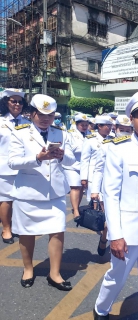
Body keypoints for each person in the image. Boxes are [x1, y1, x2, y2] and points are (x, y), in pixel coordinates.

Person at [93, 91, 138, 320]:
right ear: (132, 120)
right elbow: (111, 195)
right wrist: (115, 235)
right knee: (118, 276)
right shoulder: (118, 148)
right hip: (127, 231)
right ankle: (101, 309)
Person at [8, 94, 75, 289]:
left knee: (57, 232)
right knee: (26, 233)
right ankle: (28, 268)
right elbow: (13, 162)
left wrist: (62, 156)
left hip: (54, 192)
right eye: (42, 115)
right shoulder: (19, 133)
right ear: (32, 114)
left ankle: (54, 274)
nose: (46, 119)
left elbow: (72, 160)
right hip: (28, 192)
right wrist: (37, 158)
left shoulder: (60, 133)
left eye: (50, 115)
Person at [91, 115, 133, 256]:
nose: (125, 133)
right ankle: (105, 239)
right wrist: (95, 190)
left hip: (128, 190)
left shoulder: (135, 147)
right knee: (111, 218)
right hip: (108, 189)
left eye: (129, 130)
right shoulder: (107, 146)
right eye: (122, 129)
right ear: (115, 129)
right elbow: (98, 169)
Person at [0, 89, 30, 244]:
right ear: (6, 102)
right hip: (4, 168)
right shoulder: (1, 122)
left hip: (24, 167)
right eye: (14, 101)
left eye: (20, 102)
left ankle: (18, 226)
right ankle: (6, 229)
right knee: (6, 199)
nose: (17, 104)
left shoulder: (28, 124)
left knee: (21, 199)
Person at [80, 115, 113, 206]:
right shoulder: (90, 139)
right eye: (107, 125)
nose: (109, 128)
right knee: (95, 199)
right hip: (93, 175)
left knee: (106, 199)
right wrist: (84, 178)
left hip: (108, 173)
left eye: (111, 125)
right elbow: (85, 159)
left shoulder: (112, 139)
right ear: (99, 126)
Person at [64, 113, 91, 223]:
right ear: (76, 124)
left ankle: (77, 206)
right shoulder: (70, 134)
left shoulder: (90, 134)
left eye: (86, 125)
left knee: (82, 188)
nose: (84, 127)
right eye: (82, 125)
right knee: (75, 187)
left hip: (85, 166)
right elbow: (72, 149)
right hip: (73, 165)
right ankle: (75, 210)